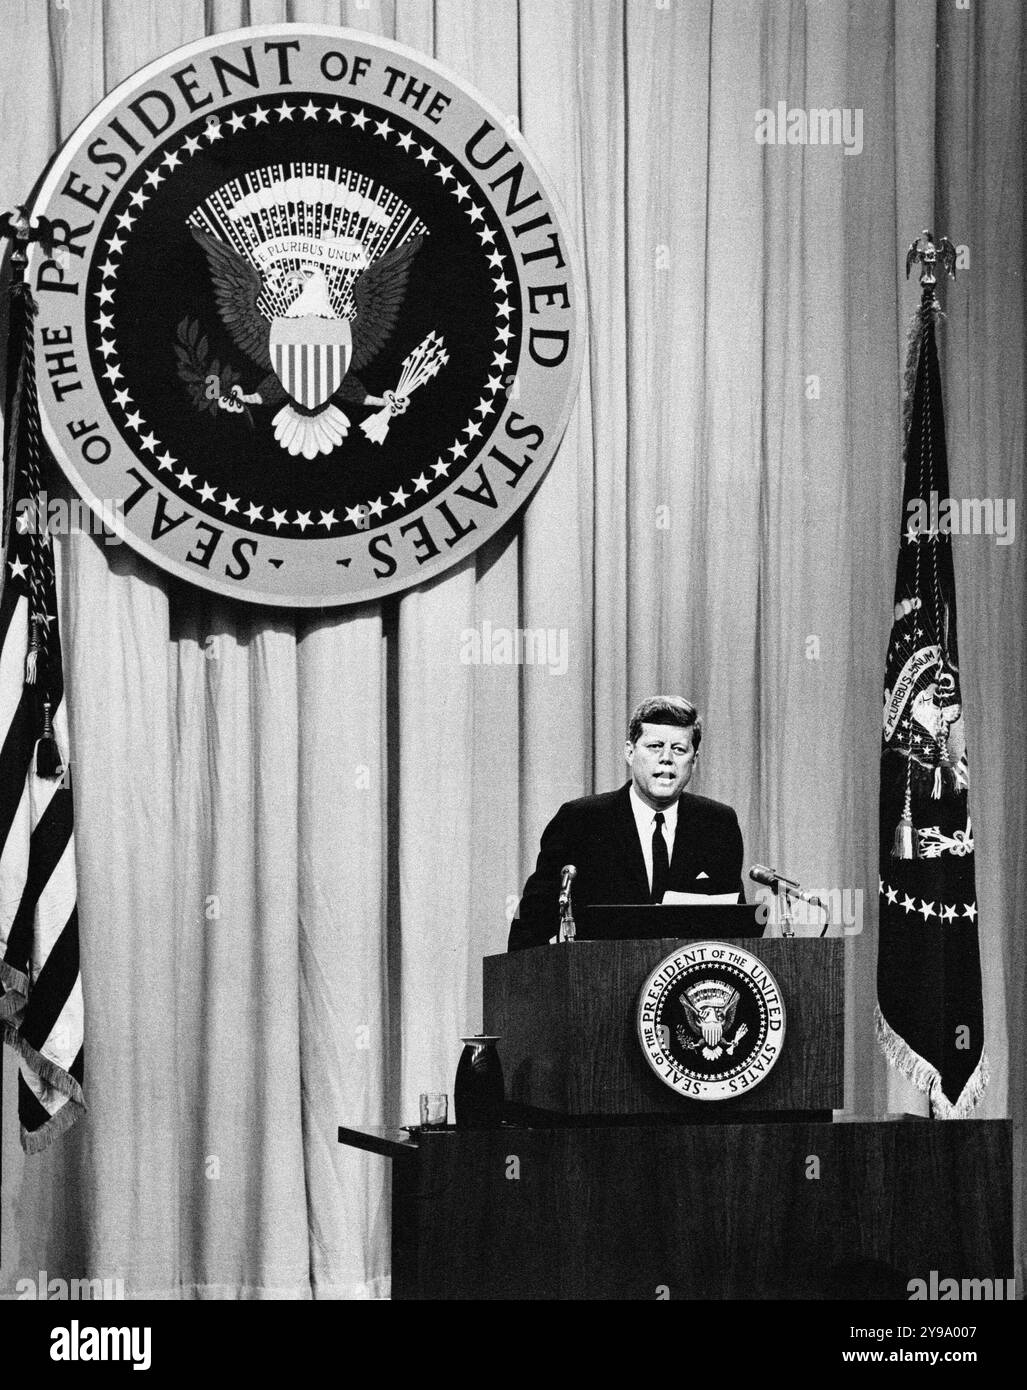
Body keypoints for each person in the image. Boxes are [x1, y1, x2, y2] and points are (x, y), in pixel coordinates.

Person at [509, 695, 745, 950]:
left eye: (679, 749)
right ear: (630, 752)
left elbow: (738, 929)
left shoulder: (718, 824)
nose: (666, 758)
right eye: (655, 746)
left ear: (694, 760)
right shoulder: (580, 821)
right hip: (600, 983)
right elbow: (529, 928)